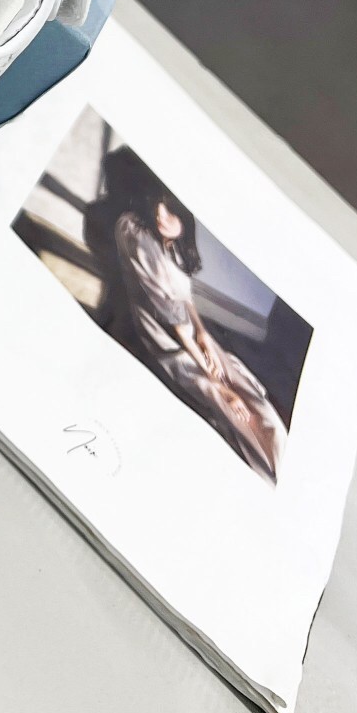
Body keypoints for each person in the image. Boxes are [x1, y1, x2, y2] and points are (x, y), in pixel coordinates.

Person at [89, 145, 285, 482]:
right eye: (158, 209)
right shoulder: (135, 233)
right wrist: (219, 384)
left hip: (188, 333)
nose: (163, 218)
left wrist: (205, 335)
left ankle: (279, 458)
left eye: (171, 212)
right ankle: (265, 472)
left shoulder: (174, 245)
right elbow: (173, 319)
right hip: (170, 343)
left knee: (256, 402)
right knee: (233, 408)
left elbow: (185, 299)